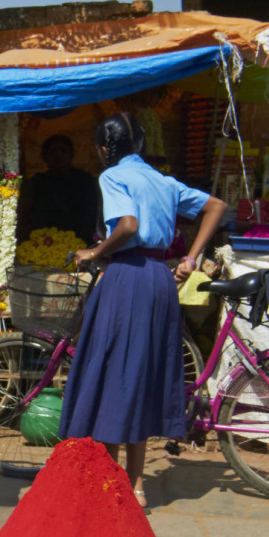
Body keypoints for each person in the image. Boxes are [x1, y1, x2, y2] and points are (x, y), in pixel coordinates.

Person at [62, 113, 226, 509]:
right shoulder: (162, 180)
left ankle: (111, 481)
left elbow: (128, 226)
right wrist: (190, 257)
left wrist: (95, 252)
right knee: (142, 376)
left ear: (104, 149)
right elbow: (216, 206)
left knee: (115, 374)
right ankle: (136, 486)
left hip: (126, 277)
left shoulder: (112, 176)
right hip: (159, 279)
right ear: (140, 144)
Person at [20, 134, 100, 244]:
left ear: (71, 154)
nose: (59, 155)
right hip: (42, 243)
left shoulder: (84, 179)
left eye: (63, 151)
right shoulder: (37, 181)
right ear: (45, 156)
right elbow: (26, 215)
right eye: (53, 151)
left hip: (79, 242)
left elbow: (91, 214)